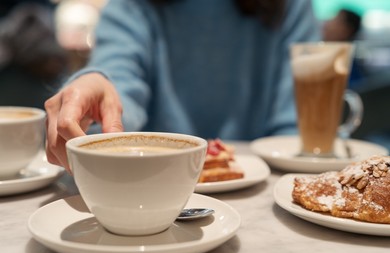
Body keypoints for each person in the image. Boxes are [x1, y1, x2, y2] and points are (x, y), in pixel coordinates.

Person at [45, 0, 320, 171]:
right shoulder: (133, 6)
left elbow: (295, 128)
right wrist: (98, 93)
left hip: (265, 193)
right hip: (148, 185)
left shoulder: (289, 7)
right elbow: (120, 80)